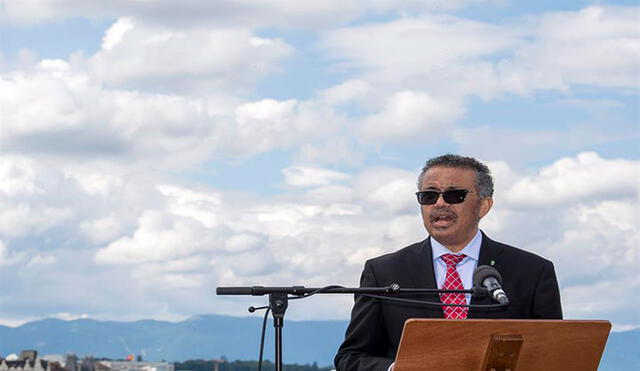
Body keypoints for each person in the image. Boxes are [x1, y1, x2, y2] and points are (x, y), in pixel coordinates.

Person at [334, 154, 562, 371]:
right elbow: (351, 358)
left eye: (454, 195)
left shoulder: (532, 271)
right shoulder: (384, 272)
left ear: (483, 205)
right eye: (429, 196)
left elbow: (556, 354)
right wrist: (397, 368)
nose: (440, 204)